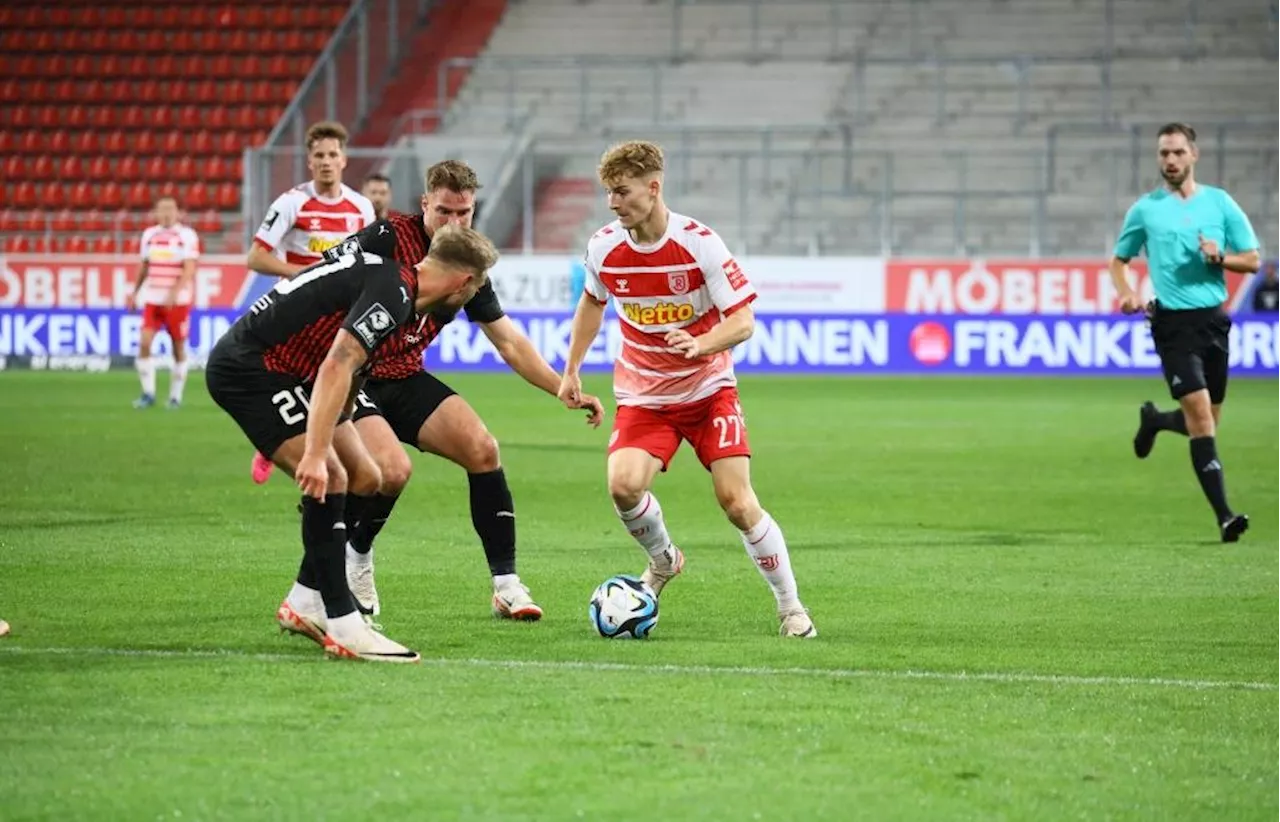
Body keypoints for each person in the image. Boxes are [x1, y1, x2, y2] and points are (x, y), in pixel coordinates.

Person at [324, 159, 605, 621]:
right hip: (353, 375)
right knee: (391, 471)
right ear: (424, 205)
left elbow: (510, 343)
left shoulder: (469, 266)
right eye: (445, 212)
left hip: (403, 376)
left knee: (482, 449)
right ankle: (356, 558)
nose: (455, 223)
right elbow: (321, 282)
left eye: (465, 213)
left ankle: (507, 585)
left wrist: (563, 388)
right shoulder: (386, 239)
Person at [557, 140, 817, 638]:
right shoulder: (604, 247)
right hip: (644, 395)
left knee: (736, 502)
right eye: (608, 193)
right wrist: (572, 368)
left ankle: (791, 607)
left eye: (622, 192)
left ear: (653, 189)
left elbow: (742, 321)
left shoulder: (700, 245)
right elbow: (593, 304)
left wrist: (702, 344)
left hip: (708, 391)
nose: (612, 203)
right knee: (623, 485)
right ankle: (663, 560)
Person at [206, 225, 498, 662]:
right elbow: (338, 362)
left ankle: (305, 601)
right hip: (251, 371)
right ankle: (343, 624)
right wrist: (315, 452)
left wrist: (336, 427)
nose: (473, 296)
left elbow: (352, 369)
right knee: (336, 475)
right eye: (476, 286)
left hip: (292, 373)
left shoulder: (396, 285)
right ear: (463, 282)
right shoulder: (394, 293)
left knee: (367, 476)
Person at [1115, 123, 1260, 542]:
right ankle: (1225, 517)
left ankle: (1156, 421)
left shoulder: (1220, 203)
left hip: (1213, 322)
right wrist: (1126, 292)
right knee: (1201, 419)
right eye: (1163, 153)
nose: (1170, 161)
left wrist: (1220, 258)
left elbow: (1251, 260)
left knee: (1207, 422)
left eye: (1177, 152)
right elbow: (1118, 259)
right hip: (1173, 326)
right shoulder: (1145, 210)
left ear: (1193, 155)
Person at [247, 120, 377, 484]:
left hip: (340, 314)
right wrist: (299, 274)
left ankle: (311, 450)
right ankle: (274, 443)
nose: (325, 161)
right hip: (296, 312)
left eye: (332, 154)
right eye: (318, 155)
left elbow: (367, 259)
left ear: (344, 159)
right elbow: (256, 257)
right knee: (300, 385)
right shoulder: (292, 203)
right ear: (309, 161)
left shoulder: (361, 208)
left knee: (334, 385)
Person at [128, 195, 199, 410]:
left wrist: (173, 294)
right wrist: (134, 292)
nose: (167, 213)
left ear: (178, 212)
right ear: (156, 213)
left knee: (177, 347)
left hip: (177, 302)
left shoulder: (186, 235)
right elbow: (144, 265)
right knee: (144, 342)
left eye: (171, 209)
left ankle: (175, 397)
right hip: (152, 299)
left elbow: (189, 268)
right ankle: (148, 393)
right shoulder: (149, 235)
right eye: (163, 209)